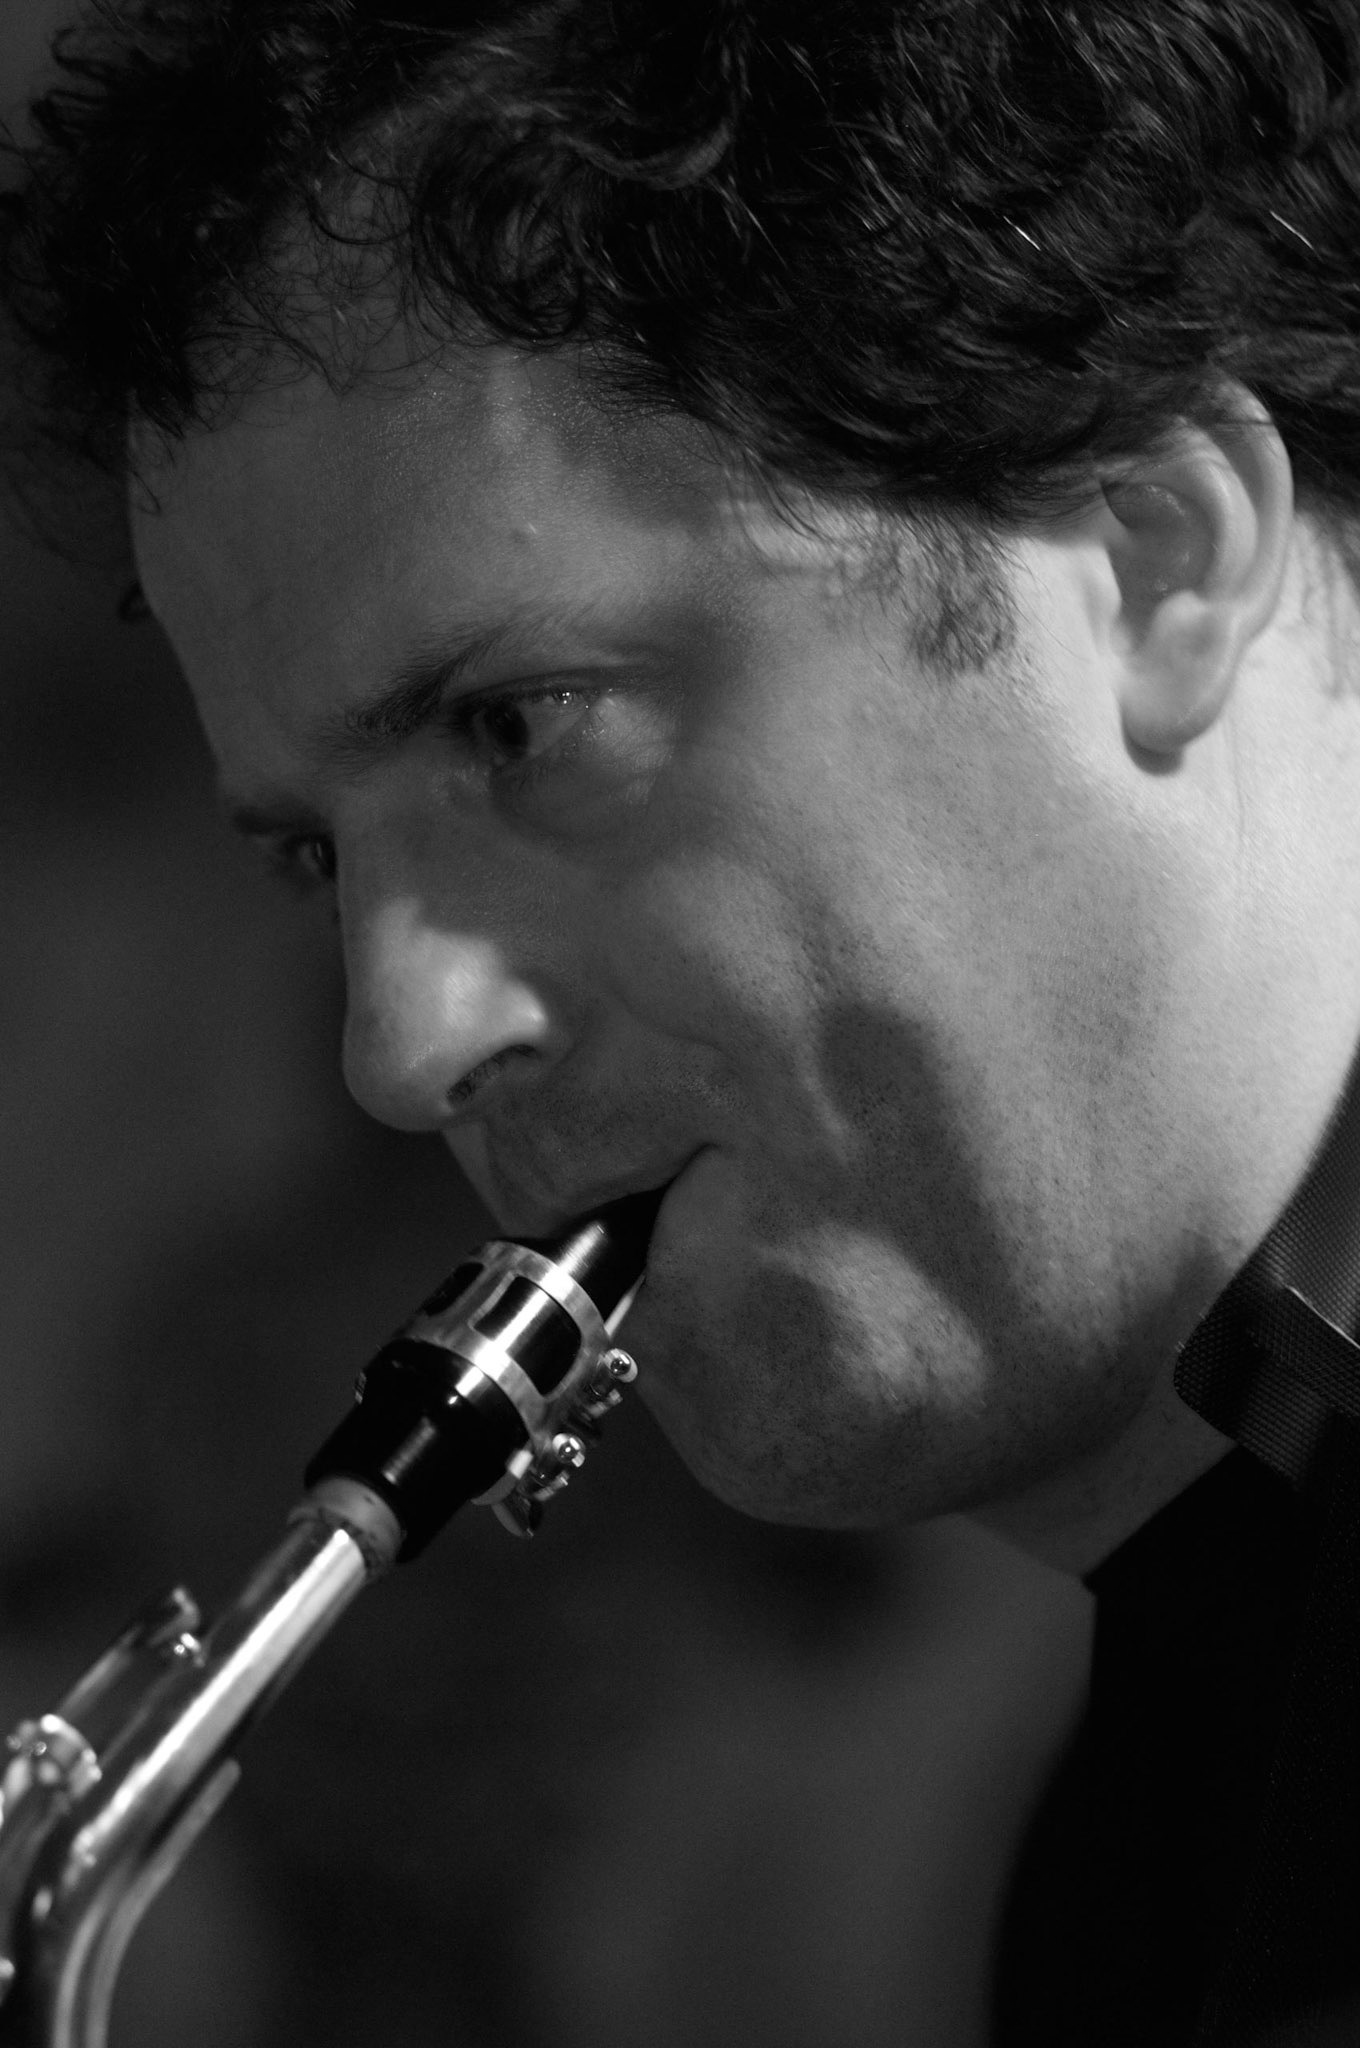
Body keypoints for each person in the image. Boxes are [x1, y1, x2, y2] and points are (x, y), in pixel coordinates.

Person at [4, 0, 1360, 2039]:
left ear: (1156, 552)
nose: (399, 1048)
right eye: (311, 859)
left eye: (519, 722)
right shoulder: (1153, 1807)